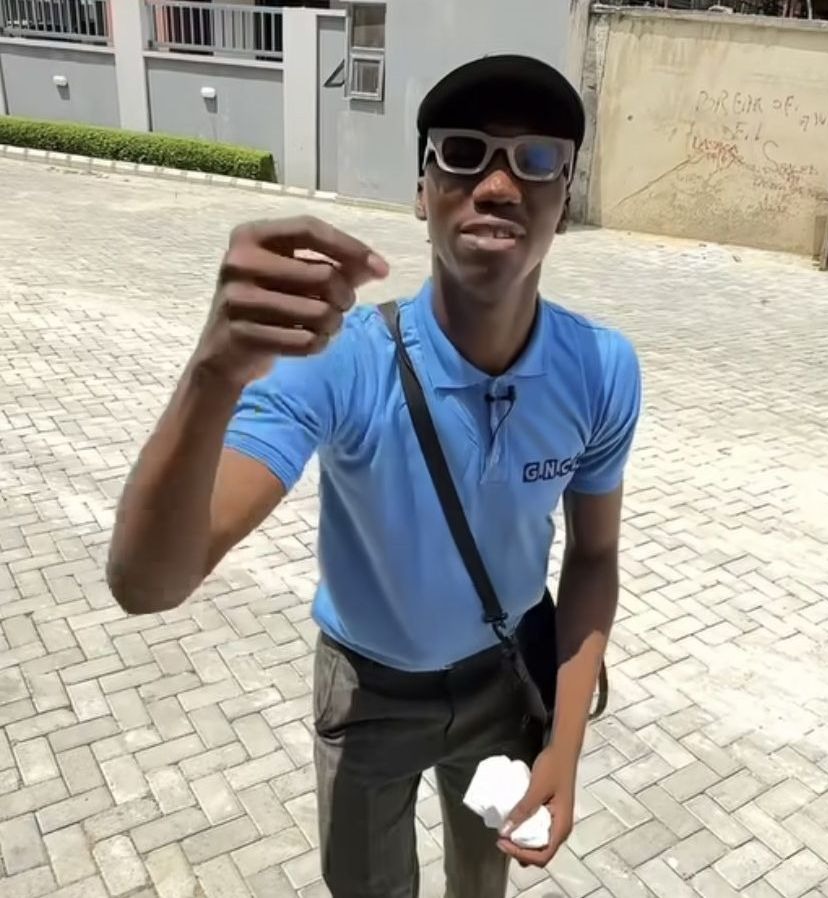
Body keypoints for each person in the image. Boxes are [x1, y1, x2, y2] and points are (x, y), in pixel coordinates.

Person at [107, 54, 641, 898]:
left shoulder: (600, 369)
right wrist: (212, 373)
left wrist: (563, 746)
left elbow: (593, 556)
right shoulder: (341, 362)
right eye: (462, 152)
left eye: (536, 158)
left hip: (504, 685)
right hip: (367, 691)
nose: (497, 185)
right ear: (421, 191)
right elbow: (147, 584)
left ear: (564, 199)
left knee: (481, 884)